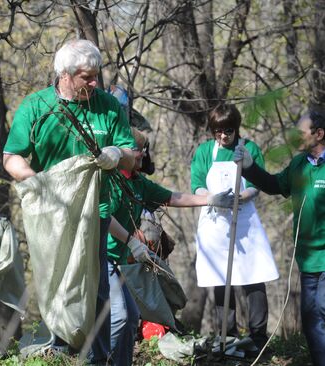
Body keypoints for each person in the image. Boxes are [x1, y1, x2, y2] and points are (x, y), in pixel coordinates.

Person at [2, 39, 137, 364]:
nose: (94, 83)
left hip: (96, 214)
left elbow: (132, 156)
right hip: (53, 217)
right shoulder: (37, 107)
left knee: (98, 293)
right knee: (60, 290)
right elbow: (11, 157)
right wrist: (37, 182)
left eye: (95, 76)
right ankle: (61, 353)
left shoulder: (107, 106)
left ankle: (96, 359)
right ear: (64, 74)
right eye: (86, 77)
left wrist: (117, 154)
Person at [106, 125, 235, 366]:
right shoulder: (109, 181)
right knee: (118, 318)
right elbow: (105, 217)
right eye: (138, 150)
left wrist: (210, 199)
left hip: (129, 261)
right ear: (122, 152)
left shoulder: (138, 182)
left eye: (143, 150)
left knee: (130, 317)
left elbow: (172, 197)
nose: (143, 155)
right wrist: (131, 241)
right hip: (106, 260)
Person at [234, 111, 325, 365]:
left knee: (322, 311)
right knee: (310, 321)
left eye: (301, 132)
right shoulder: (299, 165)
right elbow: (274, 185)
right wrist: (250, 167)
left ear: (319, 134)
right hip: (307, 260)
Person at [191, 104, 279, 351]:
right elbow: (196, 183)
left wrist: (245, 196)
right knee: (221, 279)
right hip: (216, 222)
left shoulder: (248, 148)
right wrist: (212, 197)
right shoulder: (205, 151)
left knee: (254, 276)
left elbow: (257, 181)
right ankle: (227, 335)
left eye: (227, 130)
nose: (222, 136)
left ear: (236, 128)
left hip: (245, 222)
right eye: (217, 131)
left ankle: (258, 337)